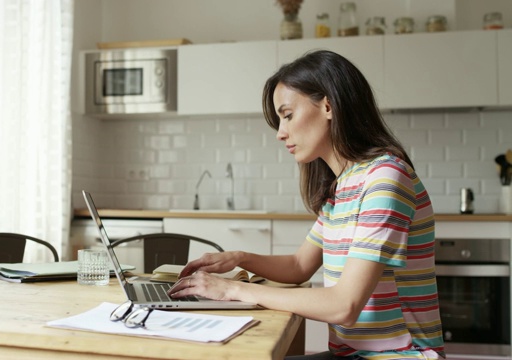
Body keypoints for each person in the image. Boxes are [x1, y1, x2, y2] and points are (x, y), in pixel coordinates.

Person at [168, 50, 445, 359]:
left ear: (328, 105)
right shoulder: (344, 185)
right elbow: (300, 266)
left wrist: (233, 290)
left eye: (287, 115)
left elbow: (345, 306)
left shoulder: (385, 179)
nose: (280, 133)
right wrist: (239, 257)